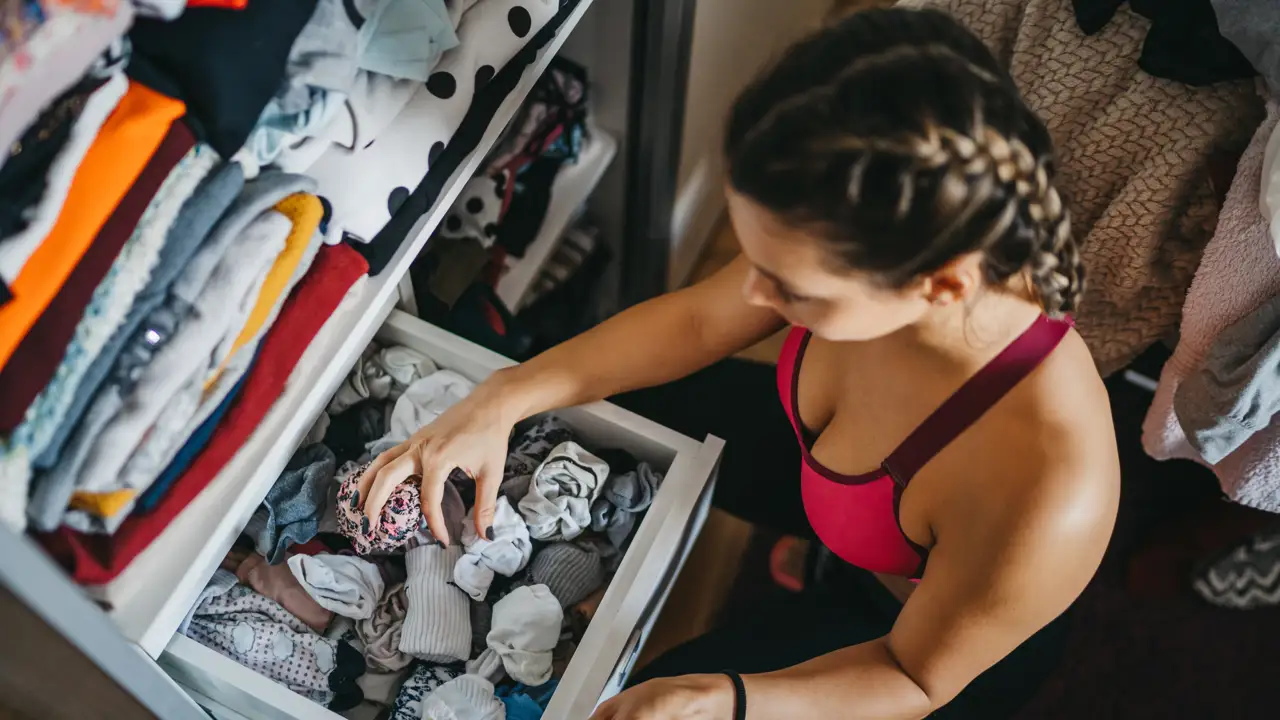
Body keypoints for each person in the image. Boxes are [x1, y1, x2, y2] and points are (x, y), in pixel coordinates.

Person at [357, 7, 1120, 718]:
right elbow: (696, 320)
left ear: (942, 284)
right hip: (843, 489)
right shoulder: (883, 266)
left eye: (789, 288)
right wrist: (504, 394)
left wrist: (722, 699)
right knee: (578, 403)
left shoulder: (1046, 493)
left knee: (660, 689)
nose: (752, 297)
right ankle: (826, 544)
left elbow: (915, 676)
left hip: (906, 640)